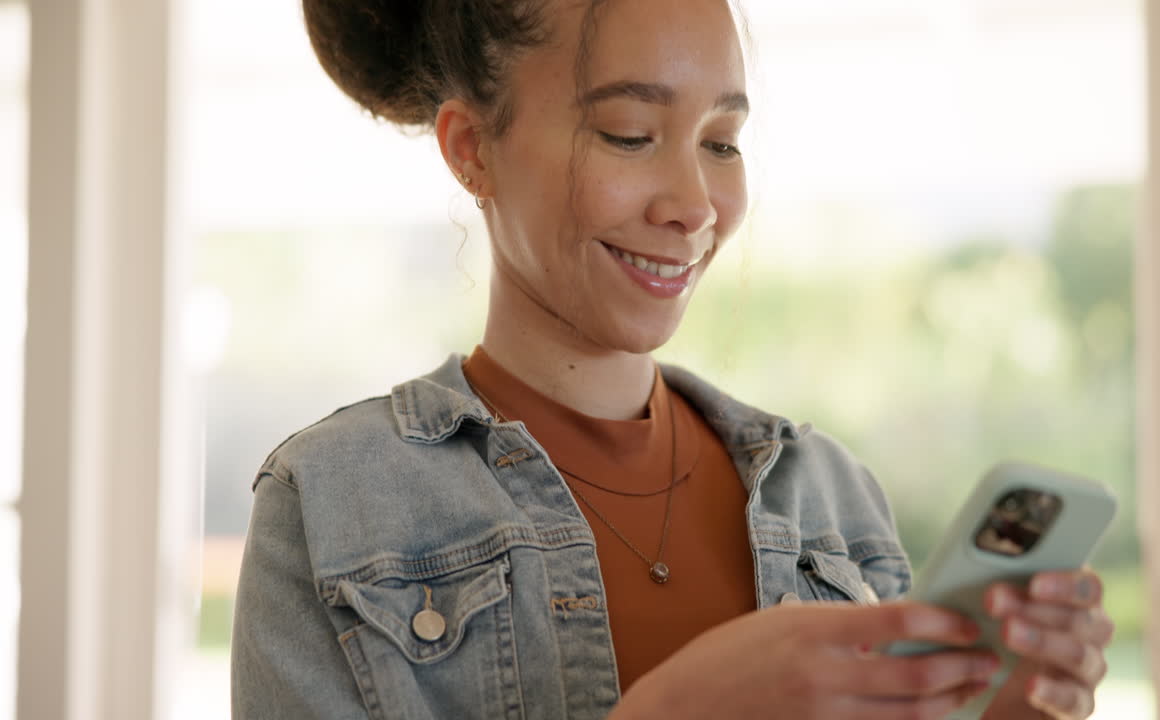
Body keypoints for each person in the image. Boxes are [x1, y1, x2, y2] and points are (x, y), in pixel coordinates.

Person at [230, 1, 1114, 718]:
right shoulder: (331, 503)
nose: (696, 205)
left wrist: (998, 707)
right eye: (627, 132)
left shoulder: (830, 496)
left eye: (722, 142)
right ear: (472, 149)